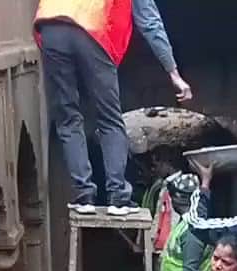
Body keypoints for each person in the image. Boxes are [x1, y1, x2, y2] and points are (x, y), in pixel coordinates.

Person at [34, 0, 193, 216]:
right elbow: (150, 22)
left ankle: (84, 196)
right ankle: (118, 198)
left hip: (51, 28)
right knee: (109, 120)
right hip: (93, 30)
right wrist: (173, 73)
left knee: (68, 118)